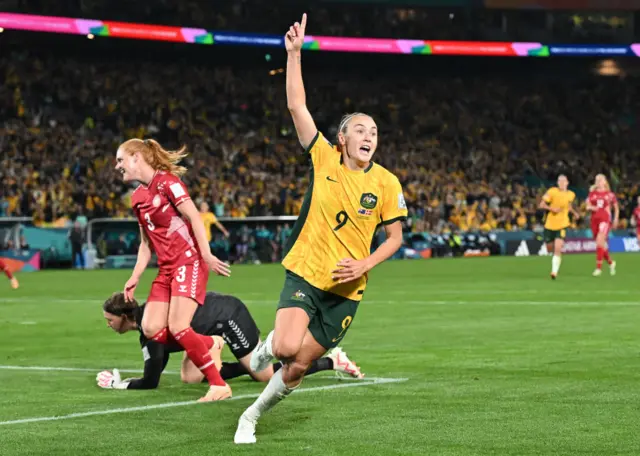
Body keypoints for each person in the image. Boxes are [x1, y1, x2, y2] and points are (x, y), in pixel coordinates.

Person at [234, 13, 407, 445]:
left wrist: (364, 264)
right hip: (307, 272)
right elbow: (297, 106)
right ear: (342, 139)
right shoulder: (324, 158)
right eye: (360, 130)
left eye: (375, 132)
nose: (369, 136)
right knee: (288, 348)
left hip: (346, 290)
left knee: (296, 368)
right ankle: (270, 343)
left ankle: (250, 416)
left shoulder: (387, 182)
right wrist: (294, 54)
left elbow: (396, 238)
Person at [115, 138, 232, 402]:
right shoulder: (137, 198)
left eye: (121, 159)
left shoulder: (168, 183)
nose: (117, 166)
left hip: (188, 262)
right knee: (151, 327)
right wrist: (134, 277)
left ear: (136, 157)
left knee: (178, 327)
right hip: (166, 270)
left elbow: (194, 216)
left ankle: (219, 384)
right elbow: (146, 243)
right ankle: (209, 342)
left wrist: (206, 255)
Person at [97, 291, 363, 390]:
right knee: (190, 378)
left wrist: (117, 385)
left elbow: (150, 381)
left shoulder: (149, 325)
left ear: (123, 316)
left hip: (226, 316)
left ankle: (331, 360)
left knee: (265, 375)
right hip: (210, 321)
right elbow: (155, 367)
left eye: (110, 320)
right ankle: (213, 344)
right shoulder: (148, 324)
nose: (108, 325)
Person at [538, 175, 578, 280]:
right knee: (549, 248)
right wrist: (551, 208)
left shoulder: (571, 194)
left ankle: (554, 272)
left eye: (563, 181)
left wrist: (574, 213)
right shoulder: (552, 191)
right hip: (550, 224)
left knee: (557, 248)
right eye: (559, 181)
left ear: (567, 183)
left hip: (563, 224)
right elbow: (541, 205)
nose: (561, 183)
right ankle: (557, 257)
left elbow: (568, 206)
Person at [586, 174, 618, 277]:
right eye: (597, 180)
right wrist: (591, 207)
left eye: (601, 179)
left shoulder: (610, 195)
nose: (599, 181)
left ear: (605, 182)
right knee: (601, 245)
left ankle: (598, 268)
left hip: (605, 220)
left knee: (600, 240)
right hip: (594, 220)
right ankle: (611, 263)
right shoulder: (592, 194)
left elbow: (616, 208)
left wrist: (616, 218)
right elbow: (587, 206)